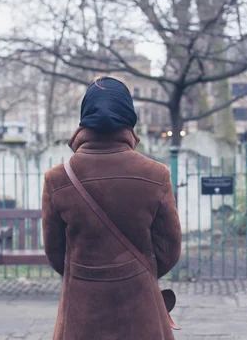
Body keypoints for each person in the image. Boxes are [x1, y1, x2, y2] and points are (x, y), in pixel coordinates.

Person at [42, 76, 182, 340]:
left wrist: (89, 272)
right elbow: (169, 250)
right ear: (130, 118)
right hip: (142, 311)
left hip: (81, 313)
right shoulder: (156, 175)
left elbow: (55, 253)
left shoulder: (57, 178)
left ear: (84, 119)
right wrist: (134, 271)